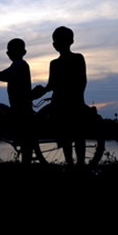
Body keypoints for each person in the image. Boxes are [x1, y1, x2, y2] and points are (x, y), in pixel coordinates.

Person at [33, 26, 88, 166]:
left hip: (63, 104)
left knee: (68, 137)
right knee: (75, 137)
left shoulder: (56, 63)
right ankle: (77, 164)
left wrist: (43, 90)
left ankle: (72, 163)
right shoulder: (76, 58)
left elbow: (51, 85)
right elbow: (82, 82)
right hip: (72, 103)